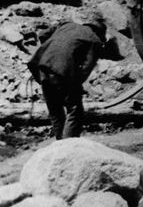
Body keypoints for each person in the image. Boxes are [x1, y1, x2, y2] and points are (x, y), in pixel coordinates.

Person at [27, 10, 121, 139]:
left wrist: (52, 52)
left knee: (55, 111)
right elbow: (86, 69)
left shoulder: (67, 25)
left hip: (42, 68)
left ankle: (60, 145)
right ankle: (68, 146)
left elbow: (43, 34)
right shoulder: (94, 40)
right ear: (99, 32)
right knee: (74, 111)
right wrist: (76, 85)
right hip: (62, 73)